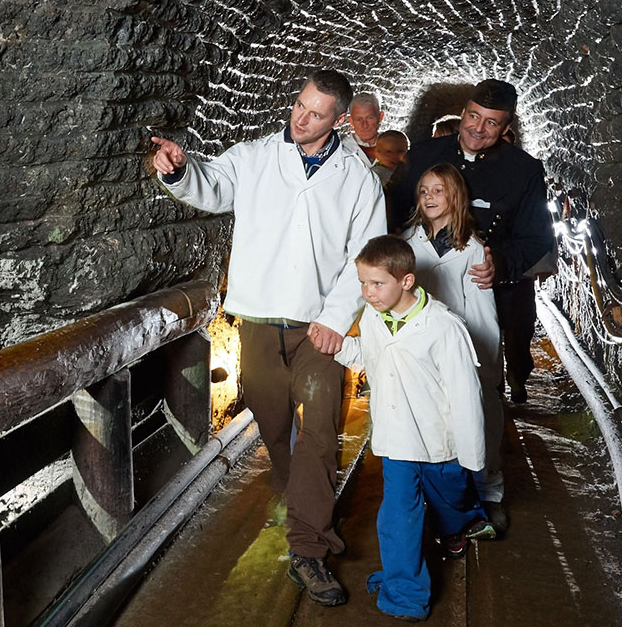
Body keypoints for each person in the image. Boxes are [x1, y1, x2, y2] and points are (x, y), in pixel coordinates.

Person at [151, 69, 386, 607]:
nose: (301, 118)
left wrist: (334, 316)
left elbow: (366, 254)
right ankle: (296, 486)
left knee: (321, 423)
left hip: (317, 329)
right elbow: (210, 187)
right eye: (299, 106)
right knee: (273, 421)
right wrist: (180, 170)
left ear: (340, 121)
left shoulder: (357, 176)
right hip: (257, 322)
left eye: (317, 114)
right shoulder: (255, 155)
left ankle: (309, 547)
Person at [331, 235, 492, 623]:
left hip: (441, 443)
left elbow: (466, 396)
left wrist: (473, 459)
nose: (367, 293)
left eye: (376, 283)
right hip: (399, 440)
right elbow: (368, 357)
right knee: (397, 517)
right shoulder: (373, 317)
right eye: (363, 283)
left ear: (406, 282)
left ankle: (463, 521)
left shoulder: (442, 327)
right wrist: (336, 346)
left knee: (448, 502)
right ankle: (405, 593)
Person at [388, 79, 553, 418]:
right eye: (474, 116)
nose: (478, 128)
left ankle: (479, 462)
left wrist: (501, 264)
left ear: (506, 126)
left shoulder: (524, 170)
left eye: (491, 122)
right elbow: (391, 210)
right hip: (424, 287)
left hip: (483, 290)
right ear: (463, 113)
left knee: (478, 386)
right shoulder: (422, 155)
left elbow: (536, 238)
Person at [401, 164, 505, 523]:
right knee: (433, 420)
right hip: (421, 347)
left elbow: (480, 307)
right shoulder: (408, 242)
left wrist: (489, 358)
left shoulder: (472, 247)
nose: (429, 197)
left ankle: (489, 491)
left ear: (455, 196)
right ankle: (440, 497)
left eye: (438, 191)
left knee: (478, 415)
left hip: (462, 343)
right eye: (424, 190)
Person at [344, 92, 385, 161]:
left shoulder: (397, 148)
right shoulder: (341, 151)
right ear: (351, 121)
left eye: (370, 118)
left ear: (380, 117)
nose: (365, 125)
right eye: (359, 120)